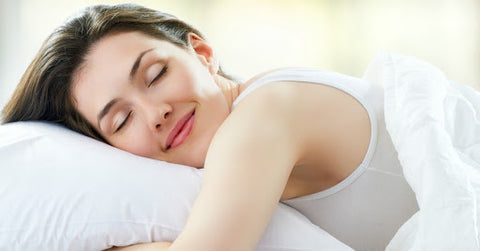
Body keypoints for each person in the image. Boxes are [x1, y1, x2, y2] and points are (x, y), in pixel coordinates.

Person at [1, 4, 419, 250]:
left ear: (202, 52)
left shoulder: (264, 115)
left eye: (156, 74)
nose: (155, 112)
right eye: (122, 119)